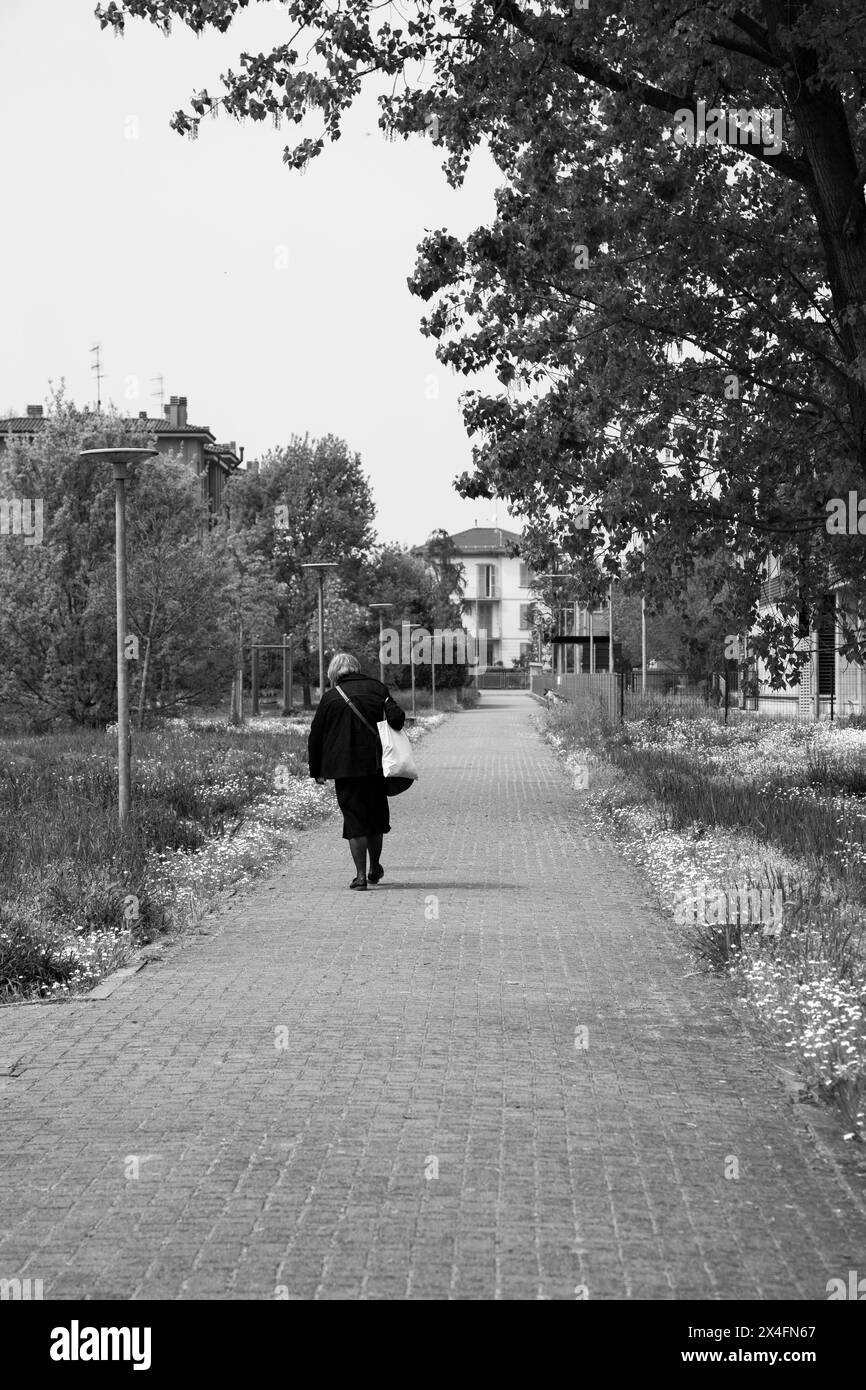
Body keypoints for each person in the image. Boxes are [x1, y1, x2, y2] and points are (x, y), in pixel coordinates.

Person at [308, 652, 407, 890]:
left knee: (355, 821)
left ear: (334, 674)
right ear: (357, 668)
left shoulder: (331, 697)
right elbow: (397, 720)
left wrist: (317, 770)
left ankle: (360, 877)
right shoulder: (377, 689)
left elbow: (316, 735)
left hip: (345, 770)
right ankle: (375, 868)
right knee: (375, 818)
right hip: (376, 765)